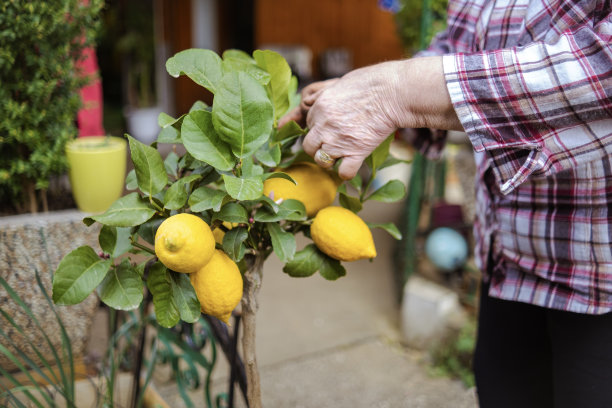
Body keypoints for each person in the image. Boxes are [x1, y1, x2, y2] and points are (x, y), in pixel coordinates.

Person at [279, 1, 612, 407]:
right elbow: (457, 45)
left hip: (600, 280)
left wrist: (396, 91)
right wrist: (358, 86)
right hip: (507, 264)